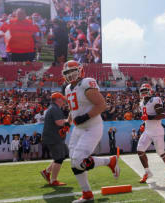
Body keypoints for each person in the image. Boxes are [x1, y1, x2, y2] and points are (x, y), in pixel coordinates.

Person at [62, 60, 120, 202]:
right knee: (74, 162)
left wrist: (86, 116)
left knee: (78, 159)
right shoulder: (68, 88)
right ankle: (87, 193)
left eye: (73, 71)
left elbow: (101, 104)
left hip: (92, 126)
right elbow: (73, 109)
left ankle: (110, 161)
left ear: (80, 70)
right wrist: (67, 124)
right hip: (78, 128)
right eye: (67, 73)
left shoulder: (87, 83)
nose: (70, 75)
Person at [137, 83, 165, 183]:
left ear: (150, 91)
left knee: (161, 153)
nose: (144, 93)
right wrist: (144, 124)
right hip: (147, 131)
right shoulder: (141, 103)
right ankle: (147, 172)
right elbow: (145, 118)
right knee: (140, 150)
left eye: (145, 91)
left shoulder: (155, 100)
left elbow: (162, 115)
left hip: (157, 131)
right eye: (142, 91)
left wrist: (148, 117)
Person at [40, 92, 69, 186]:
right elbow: (59, 122)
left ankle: (47, 171)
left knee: (63, 154)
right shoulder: (55, 109)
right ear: (58, 99)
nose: (64, 101)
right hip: (54, 137)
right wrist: (68, 121)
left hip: (54, 137)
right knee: (59, 158)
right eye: (62, 99)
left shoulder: (53, 108)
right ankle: (53, 180)